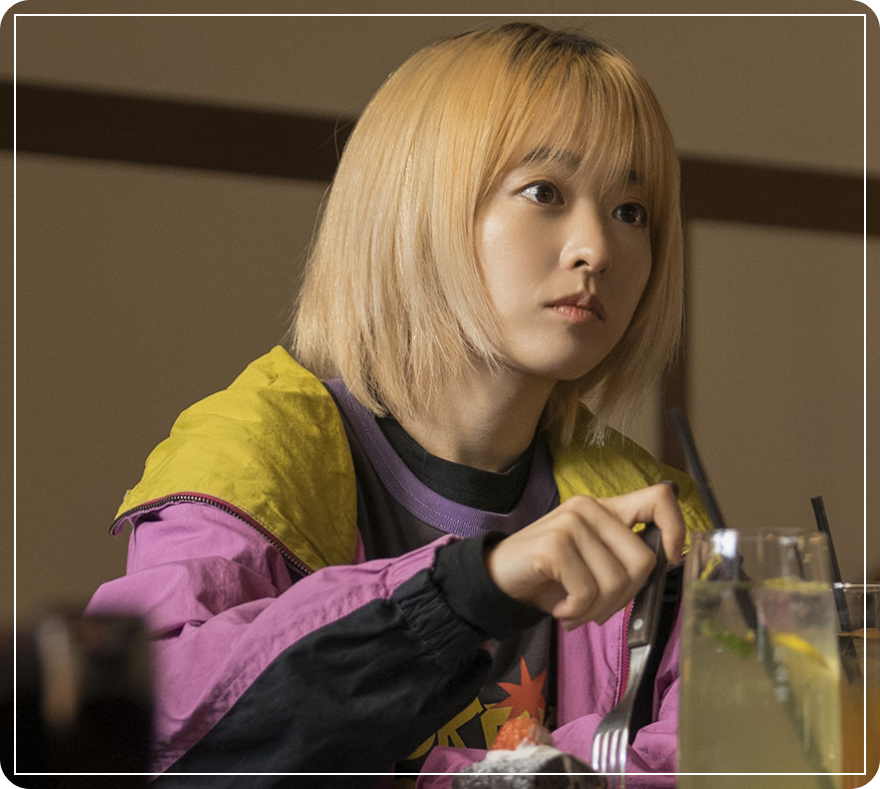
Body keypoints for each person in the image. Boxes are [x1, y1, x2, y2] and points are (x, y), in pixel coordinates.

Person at [86, 21, 710, 788]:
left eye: (631, 211)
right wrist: (466, 591)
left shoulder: (658, 513)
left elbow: (728, 756)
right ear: (417, 206)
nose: (597, 249)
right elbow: (145, 740)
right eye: (544, 192)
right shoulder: (244, 457)